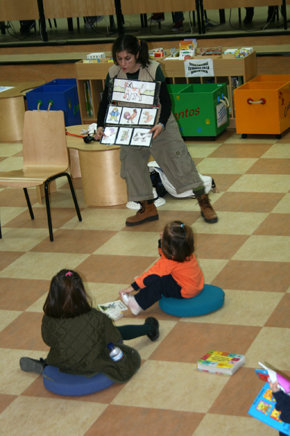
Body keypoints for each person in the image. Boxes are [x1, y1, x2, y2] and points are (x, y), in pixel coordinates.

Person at [96, 34, 218, 226]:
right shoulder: (113, 73)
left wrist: (161, 124)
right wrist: (101, 125)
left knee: (180, 162)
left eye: (127, 58)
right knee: (131, 164)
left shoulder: (153, 69)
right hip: (132, 128)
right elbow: (105, 103)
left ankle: (203, 201)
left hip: (160, 124)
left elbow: (166, 101)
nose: (123, 63)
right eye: (119, 59)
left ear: (137, 54)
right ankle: (147, 207)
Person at [19, 269, 159, 383]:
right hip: (93, 363)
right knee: (114, 335)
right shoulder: (96, 317)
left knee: (71, 345)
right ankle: (149, 328)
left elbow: (47, 340)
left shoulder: (48, 317)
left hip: (62, 361)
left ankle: (45, 366)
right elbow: (114, 337)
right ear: (81, 293)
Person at [119, 220, 204, 315]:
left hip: (184, 291)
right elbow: (164, 255)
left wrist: (132, 287)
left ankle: (136, 304)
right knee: (154, 278)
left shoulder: (169, 262)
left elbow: (152, 274)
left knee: (157, 281)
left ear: (169, 246)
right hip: (195, 285)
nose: (160, 233)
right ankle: (143, 285)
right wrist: (162, 241)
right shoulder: (184, 252)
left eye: (163, 234)